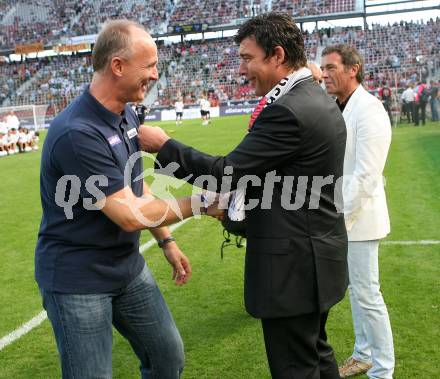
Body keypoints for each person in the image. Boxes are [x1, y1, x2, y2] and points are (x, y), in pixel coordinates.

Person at [138, 12, 348, 379]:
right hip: (318, 258)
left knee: (296, 367)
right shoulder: (314, 96)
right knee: (317, 355)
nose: (240, 69)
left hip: (294, 269)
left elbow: (226, 173)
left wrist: (163, 146)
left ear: (277, 55)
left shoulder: (288, 109)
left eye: (247, 58)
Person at [35, 20, 218, 379]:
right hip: (78, 279)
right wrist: (200, 203)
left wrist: (167, 240)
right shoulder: (77, 133)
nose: (155, 74)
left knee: (167, 358)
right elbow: (131, 215)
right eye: (148, 65)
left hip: (126, 268)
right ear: (117, 66)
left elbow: (138, 187)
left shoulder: (127, 113)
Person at [321, 44, 394, 379]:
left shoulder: (369, 109)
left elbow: (366, 176)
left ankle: (382, 370)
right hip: (343, 217)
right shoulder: (337, 106)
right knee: (356, 294)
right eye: (323, 67)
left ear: (353, 69)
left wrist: (338, 218)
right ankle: (364, 355)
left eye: (332, 67)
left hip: (359, 220)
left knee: (368, 296)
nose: (325, 74)